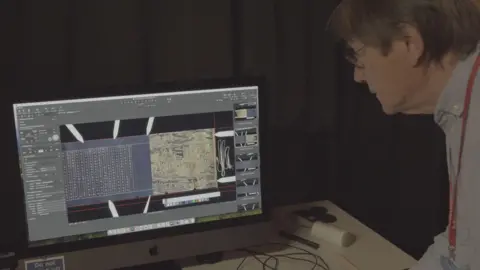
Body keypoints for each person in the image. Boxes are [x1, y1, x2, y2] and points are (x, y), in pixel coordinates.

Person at [328, 0, 480, 269]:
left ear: (410, 43)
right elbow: (460, 248)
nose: (357, 76)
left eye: (359, 55)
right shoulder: (461, 106)